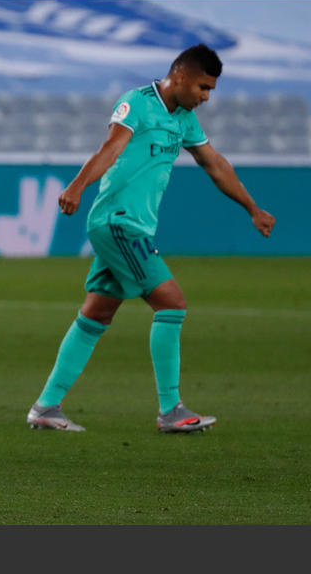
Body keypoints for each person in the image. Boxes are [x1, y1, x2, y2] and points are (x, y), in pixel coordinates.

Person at [26, 43, 276, 434]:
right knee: (171, 303)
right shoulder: (136, 104)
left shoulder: (184, 118)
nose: (206, 97)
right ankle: (170, 410)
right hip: (119, 222)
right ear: (180, 76)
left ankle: (46, 407)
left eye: (211, 90)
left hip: (131, 226)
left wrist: (252, 208)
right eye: (203, 87)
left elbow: (215, 165)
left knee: (96, 314)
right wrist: (76, 186)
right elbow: (110, 149)